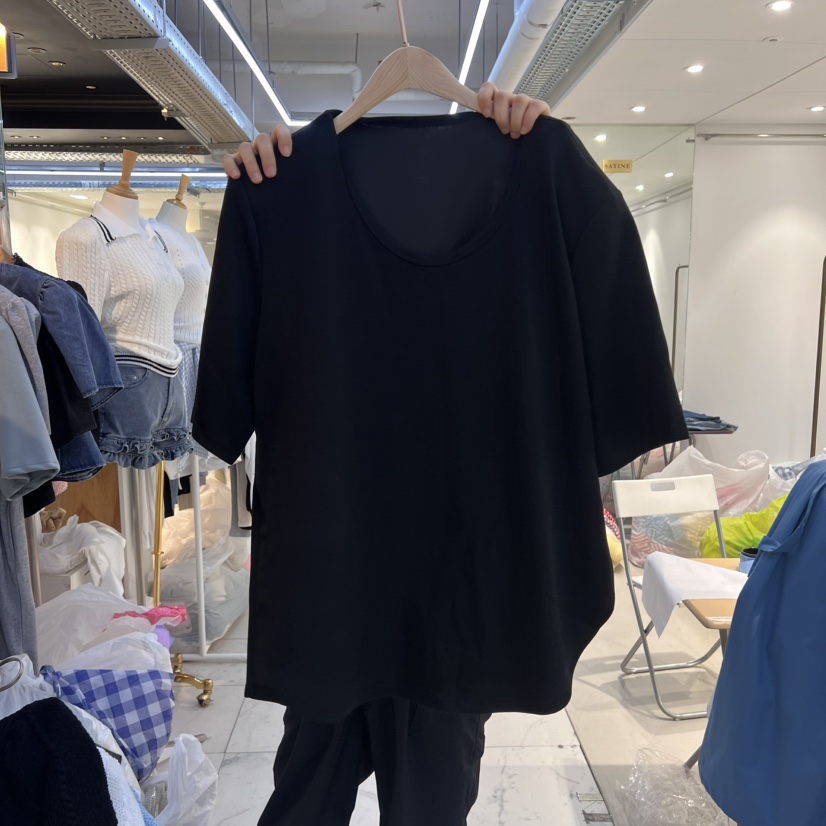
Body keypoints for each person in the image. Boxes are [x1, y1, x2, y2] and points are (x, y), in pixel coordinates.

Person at [218, 83, 552, 826]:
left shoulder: (533, 179)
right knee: (322, 799)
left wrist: (551, 160)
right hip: (344, 594)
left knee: (408, 797)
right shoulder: (278, 188)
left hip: (434, 598)